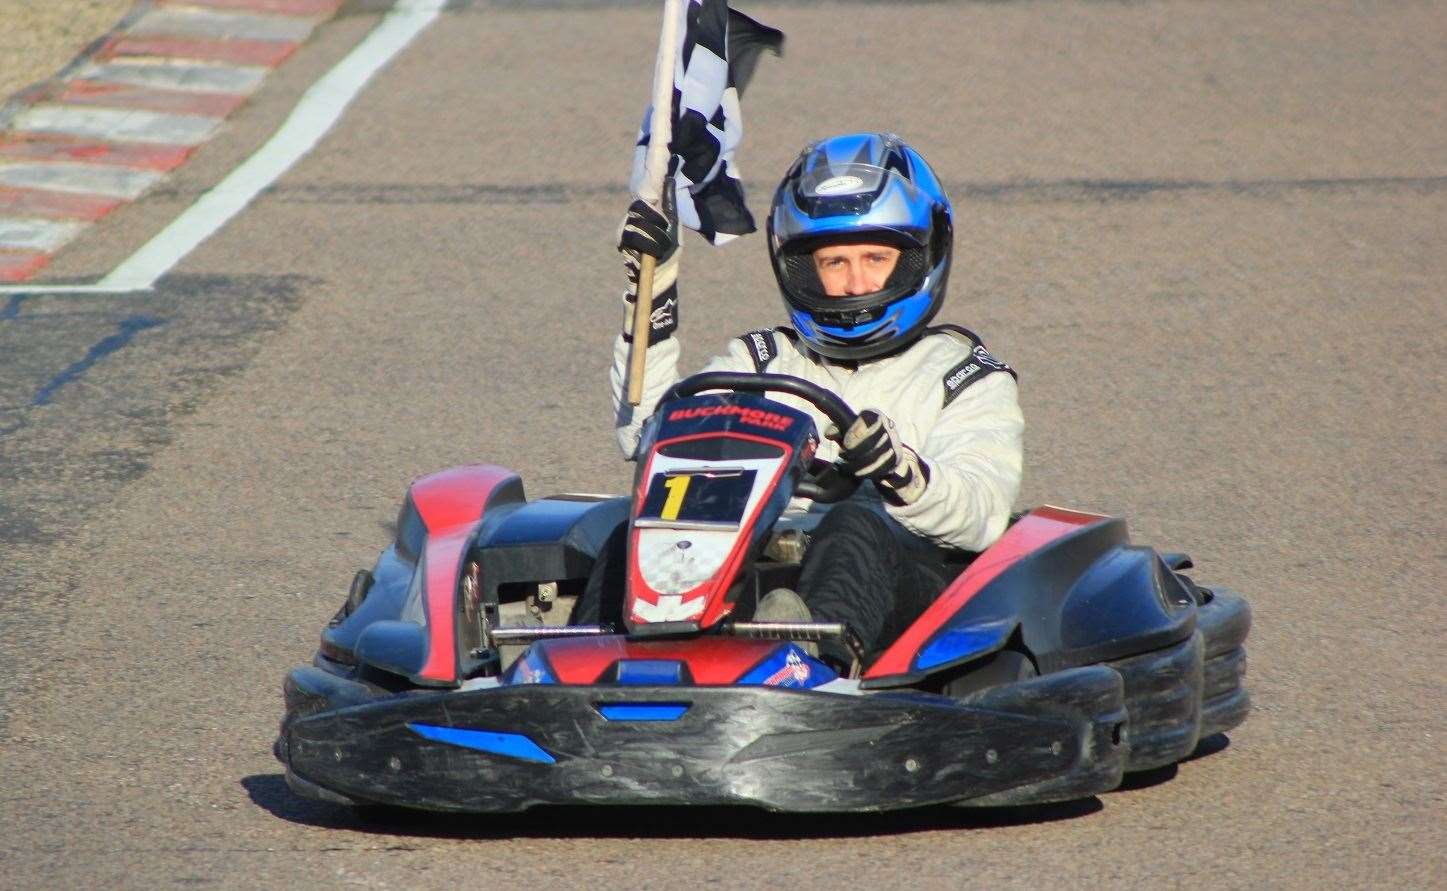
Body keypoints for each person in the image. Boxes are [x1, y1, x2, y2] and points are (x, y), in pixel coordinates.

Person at [599, 132, 1023, 669]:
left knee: (856, 521)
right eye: (834, 262)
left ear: (921, 257)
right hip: (752, 567)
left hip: (911, 597)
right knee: (633, 524)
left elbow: (981, 516)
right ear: (801, 266)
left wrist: (900, 473)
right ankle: (591, 667)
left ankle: (812, 668)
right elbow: (652, 438)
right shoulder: (763, 359)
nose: (855, 283)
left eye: (876, 257)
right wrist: (649, 292)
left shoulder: (964, 376)